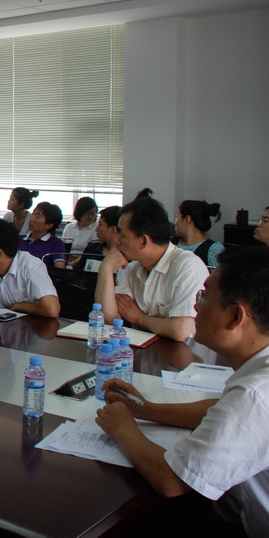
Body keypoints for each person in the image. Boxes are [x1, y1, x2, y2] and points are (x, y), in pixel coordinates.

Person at [95, 245, 269, 536]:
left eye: (204, 296)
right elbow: (222, 409)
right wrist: (145, 409)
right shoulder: (257, 376)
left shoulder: (255, 394)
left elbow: (172, 481)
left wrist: (123, 427)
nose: (195, 306)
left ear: (236, 316)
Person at [94, 195, 208, 342]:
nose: (116, 241)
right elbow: (109, 319)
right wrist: (105, 269)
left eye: (122, 235)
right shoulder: (131, 268)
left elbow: (180, 330)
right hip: (145, 350)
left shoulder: (187, 266)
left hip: (184, 352)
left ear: (143, 241)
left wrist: (139, 318)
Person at [175, 200, 225, 268]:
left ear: (187, 219)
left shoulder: (213, 249)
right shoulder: (170, 244)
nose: (175, 222)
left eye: (177, 216)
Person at [19, 202, 67, 269]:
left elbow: (59, 269)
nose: (31, 219)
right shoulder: (19, 239)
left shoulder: (56, 243)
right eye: (33, 214)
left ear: (49, 225)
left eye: (37, 216)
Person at [61, 197, 98, 268]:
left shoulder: (97, 228)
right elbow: (63, 248)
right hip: (66, 261)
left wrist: (74, 261)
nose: (90, 216)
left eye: (93, 213)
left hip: (85, 262)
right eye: (87, 213)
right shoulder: (69, 227)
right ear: (79, 212)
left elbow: (92, 252)